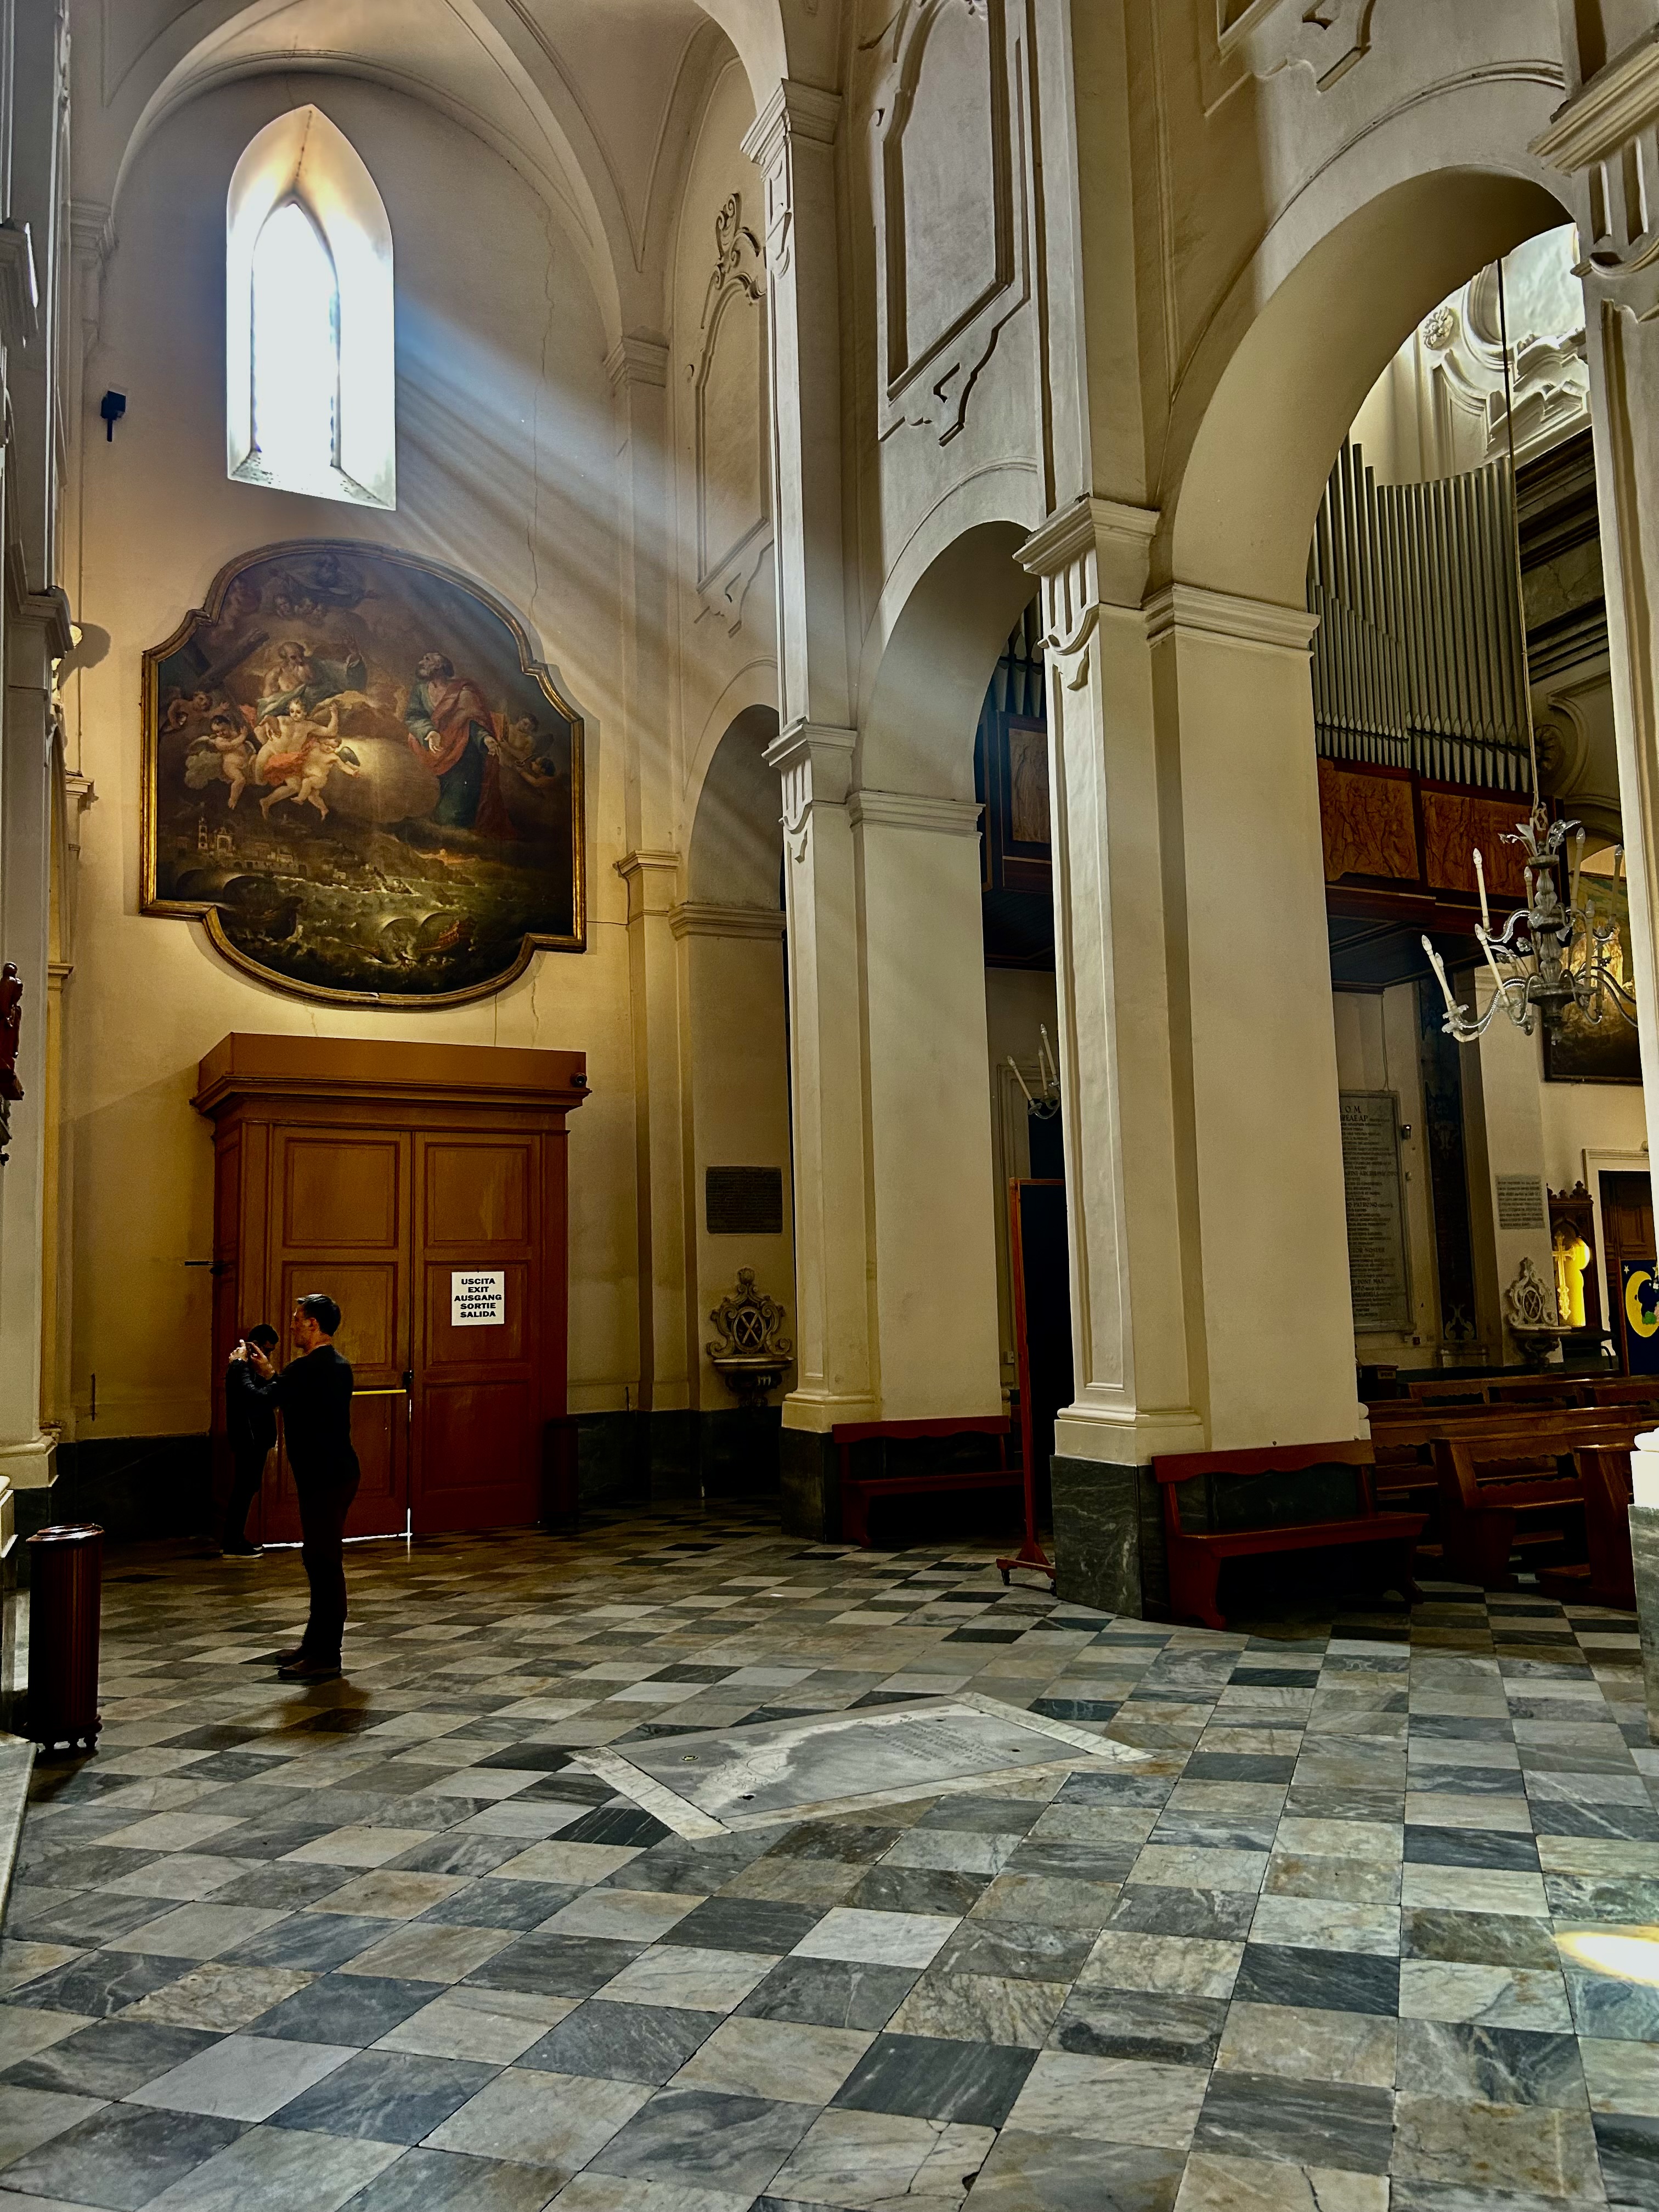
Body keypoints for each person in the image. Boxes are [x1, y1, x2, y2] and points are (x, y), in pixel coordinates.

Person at [233, 1293, 359, 1682]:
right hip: (334, 1473)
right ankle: (314, 1644)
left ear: (313, 1324)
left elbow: (257, 1401)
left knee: (325, 1563)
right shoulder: (336, 1365)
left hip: (325, 1477)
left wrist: (238, 1369)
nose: (291, 1327)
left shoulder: (308, 1369)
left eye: (296, 1319)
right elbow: (296, 1395)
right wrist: (271, 1373)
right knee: (317, 1558)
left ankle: (327, 1654)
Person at [221, 1322, 279, 1556]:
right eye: (267, 1349)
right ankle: (233, 1541)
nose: (268, 1355)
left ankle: (235, 1538)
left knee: (246, 1488)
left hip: (254, 1437)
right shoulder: (240, 1368)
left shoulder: (247, 1368)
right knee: (243, 1489)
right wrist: (273, 1382)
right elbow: (256, 1397)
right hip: (249, 1437)